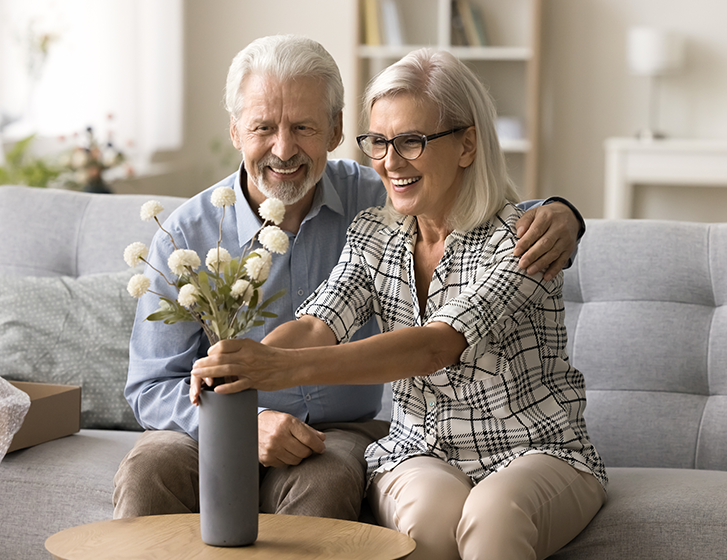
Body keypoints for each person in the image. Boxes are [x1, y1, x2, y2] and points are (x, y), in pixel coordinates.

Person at [113, 35, 585, 523]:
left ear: (336, 129)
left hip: (338, 431)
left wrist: (562, 215)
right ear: (235, 131)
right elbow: (151, 386)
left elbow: (475, 212)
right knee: (149, 470)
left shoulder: (379, 199)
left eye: (303, 127)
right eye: (262, 128)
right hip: (213, 425)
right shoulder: (183, 238)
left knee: (330, 478)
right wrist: (241, 421)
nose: (283, 148)